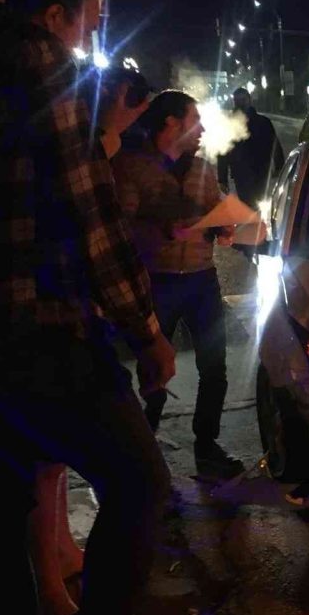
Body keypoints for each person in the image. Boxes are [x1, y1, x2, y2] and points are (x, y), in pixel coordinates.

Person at [0, 0, 175, 615]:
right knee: (139, 484)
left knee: (10, 498)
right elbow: (93, 222)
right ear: (53, 17)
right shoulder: (46, 73)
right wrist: (148, 332)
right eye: (90, 21)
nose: (89, 38)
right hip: (44, 332)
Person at [112, 91, 247, 481]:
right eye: (194, 119)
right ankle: (145, 456)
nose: (202, 128)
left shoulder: (203, 168)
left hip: (203, 280)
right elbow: (119, 229)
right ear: (170, 124)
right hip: (158, 281)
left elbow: (214, 208)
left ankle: (207, 447)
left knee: (214, 369)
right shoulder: (131, 167)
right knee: (156, 369)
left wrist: (224, 227)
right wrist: (162, 229)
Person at [218, 87, 284, 210]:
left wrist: (280, 166)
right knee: (248, 203)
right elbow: (223, 152)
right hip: (242, 171)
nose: (241, 103)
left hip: (260, 170)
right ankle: (253, 223)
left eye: (243, 100)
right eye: (238, 100)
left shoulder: (263, 122)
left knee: (257, 202)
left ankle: (255, 223)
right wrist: (222, 178)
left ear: (249, 100)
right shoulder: (229, 124)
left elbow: (274, 144)